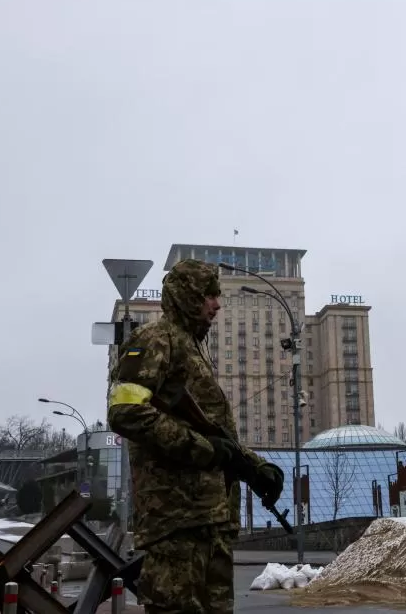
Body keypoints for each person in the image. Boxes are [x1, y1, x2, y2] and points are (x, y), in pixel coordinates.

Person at [107, 258, 284, 613]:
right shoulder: (156, 338)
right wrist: (203, 449)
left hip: (209, 523)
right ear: (187, 297)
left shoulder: (190, 348)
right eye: (208, 295)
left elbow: (217, 437)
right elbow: (125, 411)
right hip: (177, 524)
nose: (217, 304)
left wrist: (254, 466)